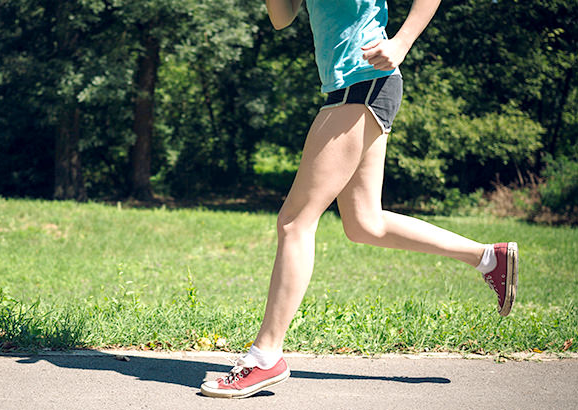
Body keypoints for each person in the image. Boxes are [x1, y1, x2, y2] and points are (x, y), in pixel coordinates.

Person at [200, 0, 519, 399]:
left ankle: (265, 357)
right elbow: (282, 18)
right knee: (365, 223)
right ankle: (489, 257)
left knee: (294, 222)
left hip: (365, 81)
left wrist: (402, 42)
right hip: (351, 87)